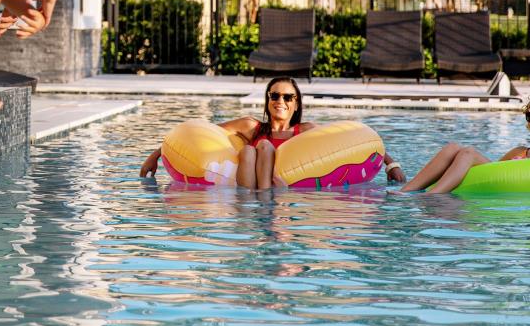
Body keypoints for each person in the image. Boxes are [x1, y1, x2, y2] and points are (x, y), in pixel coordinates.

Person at [140, 77, 407, 189]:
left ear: (296, 103)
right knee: (250, 148)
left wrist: (390, 163)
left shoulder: (306, 132)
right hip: (244, 192)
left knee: (264, 148)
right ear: (268, 100)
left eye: (288, 96)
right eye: (275, 95)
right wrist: (156, 156)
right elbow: (201, 133)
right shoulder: (251, 127)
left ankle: (264, 199)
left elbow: (353, 144)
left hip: (280, 193)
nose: (281, 101)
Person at [399, 97, 530, 194]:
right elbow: (494, 172)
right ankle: (406, 190)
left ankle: (432, 195)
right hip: (499, 182)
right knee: (453, 147)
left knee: (469, 153)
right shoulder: (520, 151)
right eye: (528, 117)